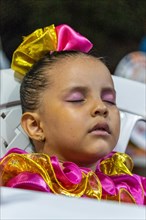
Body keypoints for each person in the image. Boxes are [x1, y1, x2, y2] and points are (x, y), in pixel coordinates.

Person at [0, 24, 145, 205]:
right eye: (77, 99)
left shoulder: (129, 187)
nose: (101, 107)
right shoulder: (29, 189)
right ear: (35, 126)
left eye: (109, 100)